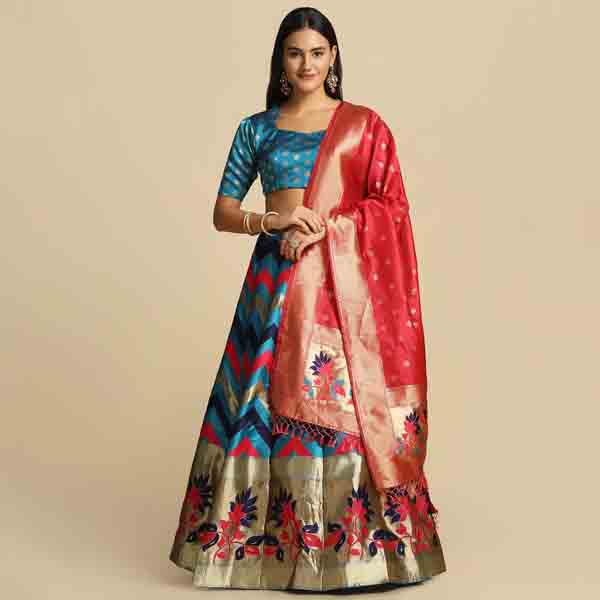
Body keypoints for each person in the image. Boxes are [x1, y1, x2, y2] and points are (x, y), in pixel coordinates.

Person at [169, 7, 447, 592]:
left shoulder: (364, 126)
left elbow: (391, 208)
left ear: (333, 57)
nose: (307, 65)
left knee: (345, 405)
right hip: (275, 283)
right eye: (295, 53)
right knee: (258, 406)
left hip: (341, 289)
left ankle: (361, 556)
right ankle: (265, 551)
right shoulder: (257, 129)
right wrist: (273, 221)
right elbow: (223, 211)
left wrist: (330, 228)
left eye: (318, 53)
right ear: (281, 60)